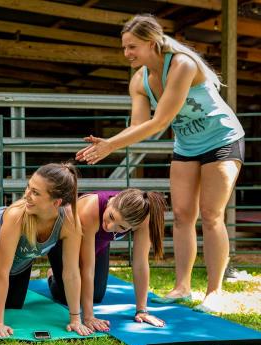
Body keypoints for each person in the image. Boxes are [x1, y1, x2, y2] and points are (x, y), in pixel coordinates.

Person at [76, 14, 244, 312]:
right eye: (124, 47)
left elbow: (160, 121)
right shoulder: (139, 81)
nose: (127, 53)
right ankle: (183, 287)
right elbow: (139, 125)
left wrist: (111, 145)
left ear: (152, 43)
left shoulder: (183, 65)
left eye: (132, 47)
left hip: (222, 140)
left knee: (211, 214)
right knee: (181, 215)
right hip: (187, 146)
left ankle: (215, 290)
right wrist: (108, 144)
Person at [0, 163, 92, 338]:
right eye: (29, 187)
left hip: (20, 261)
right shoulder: (17, 215)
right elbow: (1, 272)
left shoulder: (70, 221)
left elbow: (71, 272)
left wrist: (75, 318)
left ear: (56, 202)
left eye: (35, 192)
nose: (26, 195)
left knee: (14, 304)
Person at [48, 189, 166, 331]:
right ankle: (52, 275)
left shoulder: (143, 218)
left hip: (98, 245)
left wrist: (142, 310)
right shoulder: (90, 209)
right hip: (64, 242)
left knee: (96, 296)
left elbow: (140, 263)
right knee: (68, 297)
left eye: (121, 227)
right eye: (111, 216)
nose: (110, 227)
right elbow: (88, 268)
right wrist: (88, 316)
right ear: (113, 200)